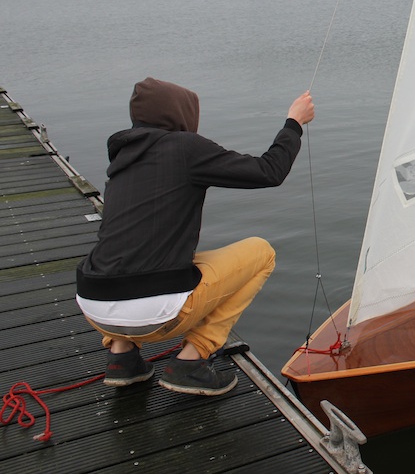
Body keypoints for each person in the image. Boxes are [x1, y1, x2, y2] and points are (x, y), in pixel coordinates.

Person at [75, 77, 315, 396]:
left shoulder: (121, 158)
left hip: (94, 306)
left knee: (126, 255)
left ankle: (122, 358)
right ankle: (191, 360)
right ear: (181, 116)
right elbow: (269, 171)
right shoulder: (185, 148)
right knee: (261, 253)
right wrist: (294, 123)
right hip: (155, 313)